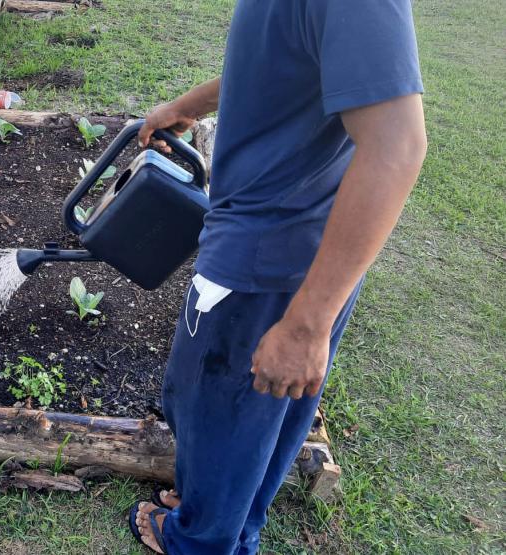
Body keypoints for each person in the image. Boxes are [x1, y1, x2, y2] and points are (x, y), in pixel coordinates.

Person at [128, 1, 427, 553]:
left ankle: (200, 541)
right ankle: (224, 519)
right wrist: (185, 105)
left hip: (269, 263)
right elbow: (277, 63)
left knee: (219, 414)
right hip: (273, 248)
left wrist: (307, 325)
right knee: (247, 418)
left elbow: (397, 148)